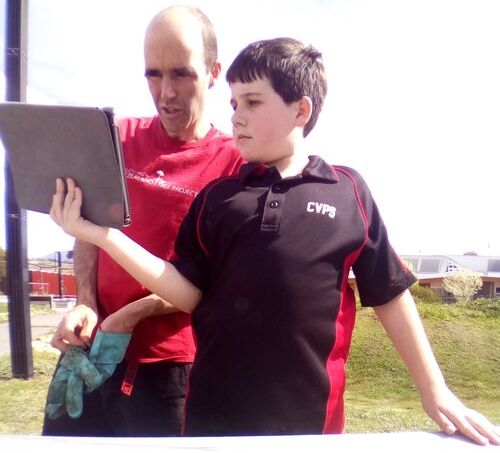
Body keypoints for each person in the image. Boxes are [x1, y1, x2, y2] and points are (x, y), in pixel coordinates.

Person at [49, 37, 500, 445]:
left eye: (252, 102)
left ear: (300, 111)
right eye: (233, 102)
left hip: (311, 429)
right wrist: (103, 236)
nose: (235, 116)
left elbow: (391, 295)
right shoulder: (217, 198)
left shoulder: (348, 192)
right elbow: (186, 293)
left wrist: (435, 391)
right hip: (211, 426)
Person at [42, 5, 243, 437]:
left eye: (181, 73)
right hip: (90, 348)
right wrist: (86, 303)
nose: (165, 91)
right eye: (153, 74)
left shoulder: (235, 163)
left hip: (169, 368)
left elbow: (219, 279)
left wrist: (134, 313)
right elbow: (89, 234)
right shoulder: (118, 139)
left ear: (213, 72)